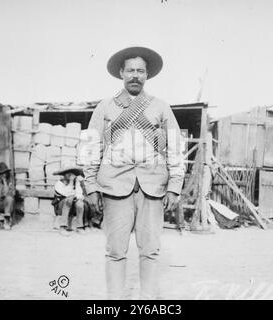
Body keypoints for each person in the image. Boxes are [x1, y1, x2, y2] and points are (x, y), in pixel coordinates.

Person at [83, 46, 185, 299]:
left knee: (150, 251)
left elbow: (175, 147)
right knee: (115, 251)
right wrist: (91, 186)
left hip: (152, 187)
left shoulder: (161, 107)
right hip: (115, 187)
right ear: (121, 73)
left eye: (140, 71)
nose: (135, 75)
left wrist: (174, 186)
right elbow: (90, 148)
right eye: (130, 70)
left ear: (147, 75)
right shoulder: (105, 108)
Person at [52, 166, 89, 235]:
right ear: (64, 175)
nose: (70, 175)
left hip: (72, 205)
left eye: (72, 174)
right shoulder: (59, 183)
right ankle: (63, 227)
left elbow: (79, 194)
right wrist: (71, 182)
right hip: (61, 207)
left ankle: (80, 227)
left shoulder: (77, 182)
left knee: (80, 203)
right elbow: (67, 194)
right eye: (68, 174)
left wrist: (78, 197)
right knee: (69, 199)